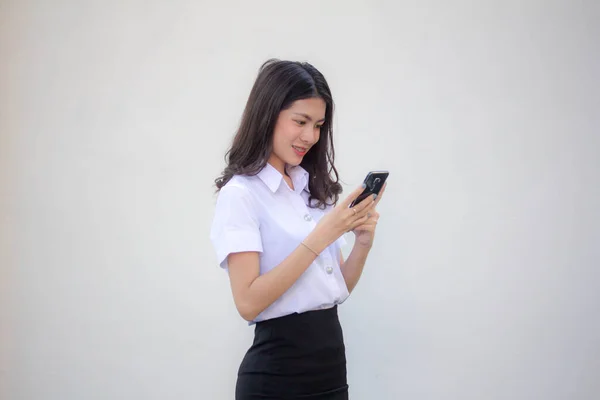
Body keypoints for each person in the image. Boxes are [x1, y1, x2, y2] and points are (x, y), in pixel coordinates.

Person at [210, 59, 386, 400]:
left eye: (319, 125)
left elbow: (333, 290)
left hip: (331, 370)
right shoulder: (241, 195)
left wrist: (362, 243)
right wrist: (322, 236)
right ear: (268, 115)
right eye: (301, 121)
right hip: (277, 378)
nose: (310, 136)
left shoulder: (309, 188)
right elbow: (247, 302)